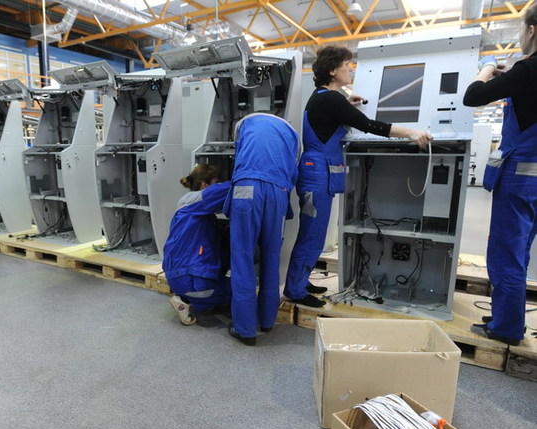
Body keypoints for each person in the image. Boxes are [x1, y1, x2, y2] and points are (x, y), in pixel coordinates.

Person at [284, 45, 433, 308]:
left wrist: (346, 103)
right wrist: (410, 132)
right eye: (346, 65)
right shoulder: (330, 99)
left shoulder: (325, 97)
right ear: (332, 70)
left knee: (315, 234)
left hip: (318, 171)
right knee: (312, 236)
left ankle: (301, 281)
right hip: (317, 174)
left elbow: (334, 116)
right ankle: (294, 290)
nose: (350, 69)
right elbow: (369, 125)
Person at [464, 5, 537, 346]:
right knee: (520, 251)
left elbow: (473, 96)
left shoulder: (528, 69)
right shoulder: (525, 74)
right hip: (534, 183)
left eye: (521, 29)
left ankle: (506, 328)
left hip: (518, 179)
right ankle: (507, 316)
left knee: (505, 252)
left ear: (532, 30)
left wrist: (488, 67)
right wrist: (510, 78)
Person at [224, 113, 299, 346]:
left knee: (242, 258)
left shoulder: (244, 125)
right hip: (278, 193)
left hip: (246, 189)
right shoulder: (291, 134)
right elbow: (293, 171)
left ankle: (245, 329)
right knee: (271, 257)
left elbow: (239, 158)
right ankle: (267, 320)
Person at [162, 164, 231, 325]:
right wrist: (247, 178)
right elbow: (225, 190)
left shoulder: (191, 210)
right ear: (204, 185)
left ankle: (186, 297)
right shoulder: (194, 201)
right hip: (192, 280)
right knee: (238, 290)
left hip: (180, 276)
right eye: (216, 181)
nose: (219, 183)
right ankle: (190, 300)